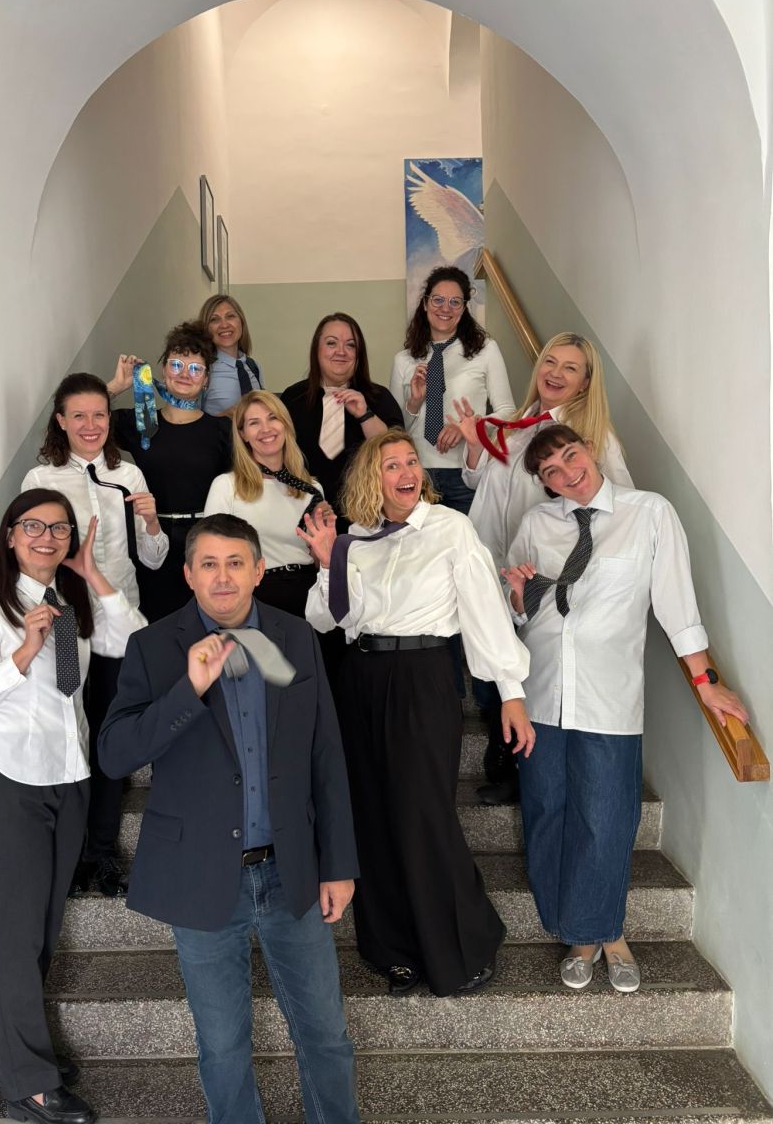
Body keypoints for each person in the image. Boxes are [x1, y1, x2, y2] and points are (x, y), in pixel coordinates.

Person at [98, 514, 360, 1124]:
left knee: (325, 1035)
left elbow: (325, 754)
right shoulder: (152, 646)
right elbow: (114, 754)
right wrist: (188, 690)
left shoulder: (296, 639)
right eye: (209, 564)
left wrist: (339, 864)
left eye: (236, 563)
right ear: (188, 574)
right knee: (222, 1047)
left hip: (291, 871)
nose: (223, 577)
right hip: (201, 873)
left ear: (259, 570)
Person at [503, 424, 749, 993]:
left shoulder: (649, 513)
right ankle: (576, 926)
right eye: (552, 472)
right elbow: (516, 609)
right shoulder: (536, 524)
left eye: (571, 456)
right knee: (546, 811)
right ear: (545, 483)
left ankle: (600, 933)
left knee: (607, 817)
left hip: (609, 697)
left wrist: (706, 682)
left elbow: (677, 604)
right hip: (540, 692)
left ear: (589, 450)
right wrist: (515, 597)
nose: (568, 474)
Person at [301, 429, 534, 997]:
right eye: (392, 465)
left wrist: (510, 692)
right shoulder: (354, 540)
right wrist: (329, 561)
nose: (407, 471)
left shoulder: (450, 528)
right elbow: (326, 619)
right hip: (360, 678)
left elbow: (482, 608)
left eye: (412, 462)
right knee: (372, 817)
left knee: (422, 814)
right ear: (371, 479)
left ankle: (463, 945)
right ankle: (392, 951)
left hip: (424, 675)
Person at [0, 489, 145, 1124]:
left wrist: (92, 574)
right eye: (32, 526)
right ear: (10, 536)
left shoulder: (71, 605)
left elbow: (134, 640)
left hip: (68, 779)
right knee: (15, 930)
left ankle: (11, 1053)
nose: (46, 538)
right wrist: (23, 652)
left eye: (59, 529)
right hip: (7, 780)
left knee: (41, 928)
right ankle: (30, 1086)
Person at [450, 331, 632, 805]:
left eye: (570, 368)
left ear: (585, 382)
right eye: (551, 361)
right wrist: (474, 445)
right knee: (488, 662)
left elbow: (620, 506)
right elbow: (480, 479)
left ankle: (513, 765)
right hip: (491, 563)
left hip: (541, 577)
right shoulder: (515, 424)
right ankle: (503, 754)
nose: (555, 373)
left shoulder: (591, 438)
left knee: (522, 670)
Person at [22, 373, 167, 897]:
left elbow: (154, 559)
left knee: (109, 737)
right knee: (71, 734)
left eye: (100, 414)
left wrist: (152, 524)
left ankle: (102, 853)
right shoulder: (41, 477)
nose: (90, 425)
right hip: (65, 624)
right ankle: (70, 852)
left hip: (118, 619)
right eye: (79, 415)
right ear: (60, 421)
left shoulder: (128, 472)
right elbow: (29, 553)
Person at [106, 325, 231, 620]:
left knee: (205, 623)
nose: (185, 374)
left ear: (206, 379)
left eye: (195, 368)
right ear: (163, 370)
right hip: (151, 539)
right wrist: (116, 386)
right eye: (176, 364)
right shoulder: (140, 422)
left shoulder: (222, 430)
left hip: (204, 540)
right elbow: (77, 420)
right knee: (156, 624)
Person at [389, 265, 515, 515]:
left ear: (464, 308)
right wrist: (414, 403)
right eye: (438, 300)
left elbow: (508, 412)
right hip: (416, 475)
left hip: (466, 474)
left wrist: (468, 427)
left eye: (455, 302)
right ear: (425, 304)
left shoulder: (486, 350)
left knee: (468, 540)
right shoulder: (404, 360)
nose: (445, 308)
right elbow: (393, 430)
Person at [204, 390, 327, 617]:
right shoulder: (226, 486)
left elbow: (322, 561)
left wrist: (327, 539)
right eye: (254, 423)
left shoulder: (312, 489)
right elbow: (209, 554)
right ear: (243, 434)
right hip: (253, 598)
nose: (266, 429)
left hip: (308, 595)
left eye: (273, 418)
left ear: (285, 425)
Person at [280, 311, 404, 529]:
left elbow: (396, 454)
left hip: (368, 517)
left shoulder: (379, 397)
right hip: (305, 515)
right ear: (316, 350)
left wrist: (365, 415)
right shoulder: (293, 398)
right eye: (331, 343)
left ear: (359, 354)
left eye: (350, 345)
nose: (341, 352)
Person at [199, 293, 264, 416]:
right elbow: (190, 420)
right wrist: (224, 417)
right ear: (206, 329)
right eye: (214, 319)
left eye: (230, 316)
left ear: (241, 322)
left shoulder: (254, 366)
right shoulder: (202, 369)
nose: (224, 325)